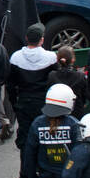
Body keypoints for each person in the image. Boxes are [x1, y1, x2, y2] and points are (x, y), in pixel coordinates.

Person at [23, 84, 80, 178]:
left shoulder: (38, 123)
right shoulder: (74, 125)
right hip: (68, 177)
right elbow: (79, 154)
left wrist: (30, 176)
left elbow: (29, 152)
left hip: (45, 176)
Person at [7, 24, 58, 164]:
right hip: (43, 104)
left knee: (25, 136)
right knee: (43, 135)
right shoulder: (51, 58)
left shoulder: (16, 57)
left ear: (26, 38)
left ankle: (26, 174)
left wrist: (14, 104)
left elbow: (10, 85)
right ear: (41, 40)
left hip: (23, 103)